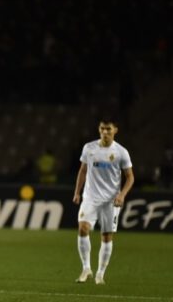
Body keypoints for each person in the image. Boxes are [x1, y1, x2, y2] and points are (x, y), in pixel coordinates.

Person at [73, 118, 134, 285]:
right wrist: (77, 192)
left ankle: (100, 273)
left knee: (106, 236)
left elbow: (130, 177)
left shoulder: (121, 152)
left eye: (108, 129)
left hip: (110, 201)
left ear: (115, 130)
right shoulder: (89, 148)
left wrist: (122, 195)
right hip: (90, 197)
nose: (105, 132)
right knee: (83, 228)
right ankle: (86, 268)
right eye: (102, 129)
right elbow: (83, 170)